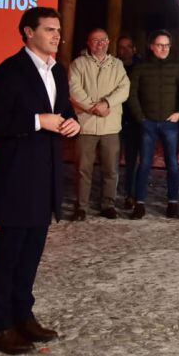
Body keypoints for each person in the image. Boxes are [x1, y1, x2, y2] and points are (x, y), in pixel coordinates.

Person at [0, 8, 80, 355]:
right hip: (15, 178)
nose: (57, 36)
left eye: (58, 30)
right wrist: (38, 121)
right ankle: (0, 326)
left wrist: (72, 123)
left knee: (32, 254)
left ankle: (24, 316)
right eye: (49, 30)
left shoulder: (59, 71)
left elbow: (64, 111)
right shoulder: (8, 72)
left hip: (45, 178)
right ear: (27, 32)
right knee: (8, 255)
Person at [68, 28, 130, 221]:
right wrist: (92, 107)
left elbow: (124, 88)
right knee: (82, 169)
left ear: (108, 42)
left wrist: (107, 104)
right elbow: (74, 89)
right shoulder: (78, 64)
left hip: (110, 126)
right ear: (88, 43)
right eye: (95, 41)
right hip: (85, 125)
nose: (100, 44)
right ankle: (81, 207)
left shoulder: (117, 65)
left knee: (110, 169)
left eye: (103, 40)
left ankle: (107, 204)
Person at [126, 30, 179, 219]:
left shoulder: (177, 66)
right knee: (144, 164)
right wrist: (140, 117)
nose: (163, 48)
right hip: (148, 122)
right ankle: (139, 203)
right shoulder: (141, 67)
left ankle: (173, 202)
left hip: (170, 123)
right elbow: (132, 93)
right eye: (160, 45)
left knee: (173, 165)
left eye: (166, 45)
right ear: (152, 47)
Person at [115, 35, 143, 202]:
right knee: (112, 159)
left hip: (134, 120)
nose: (124, 50)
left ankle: (130, 194)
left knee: (133, 159)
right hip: (115, 118)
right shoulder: (113, 66)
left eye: (128, 47)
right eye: (121, 47)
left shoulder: (141, 67)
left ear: (134, 49)